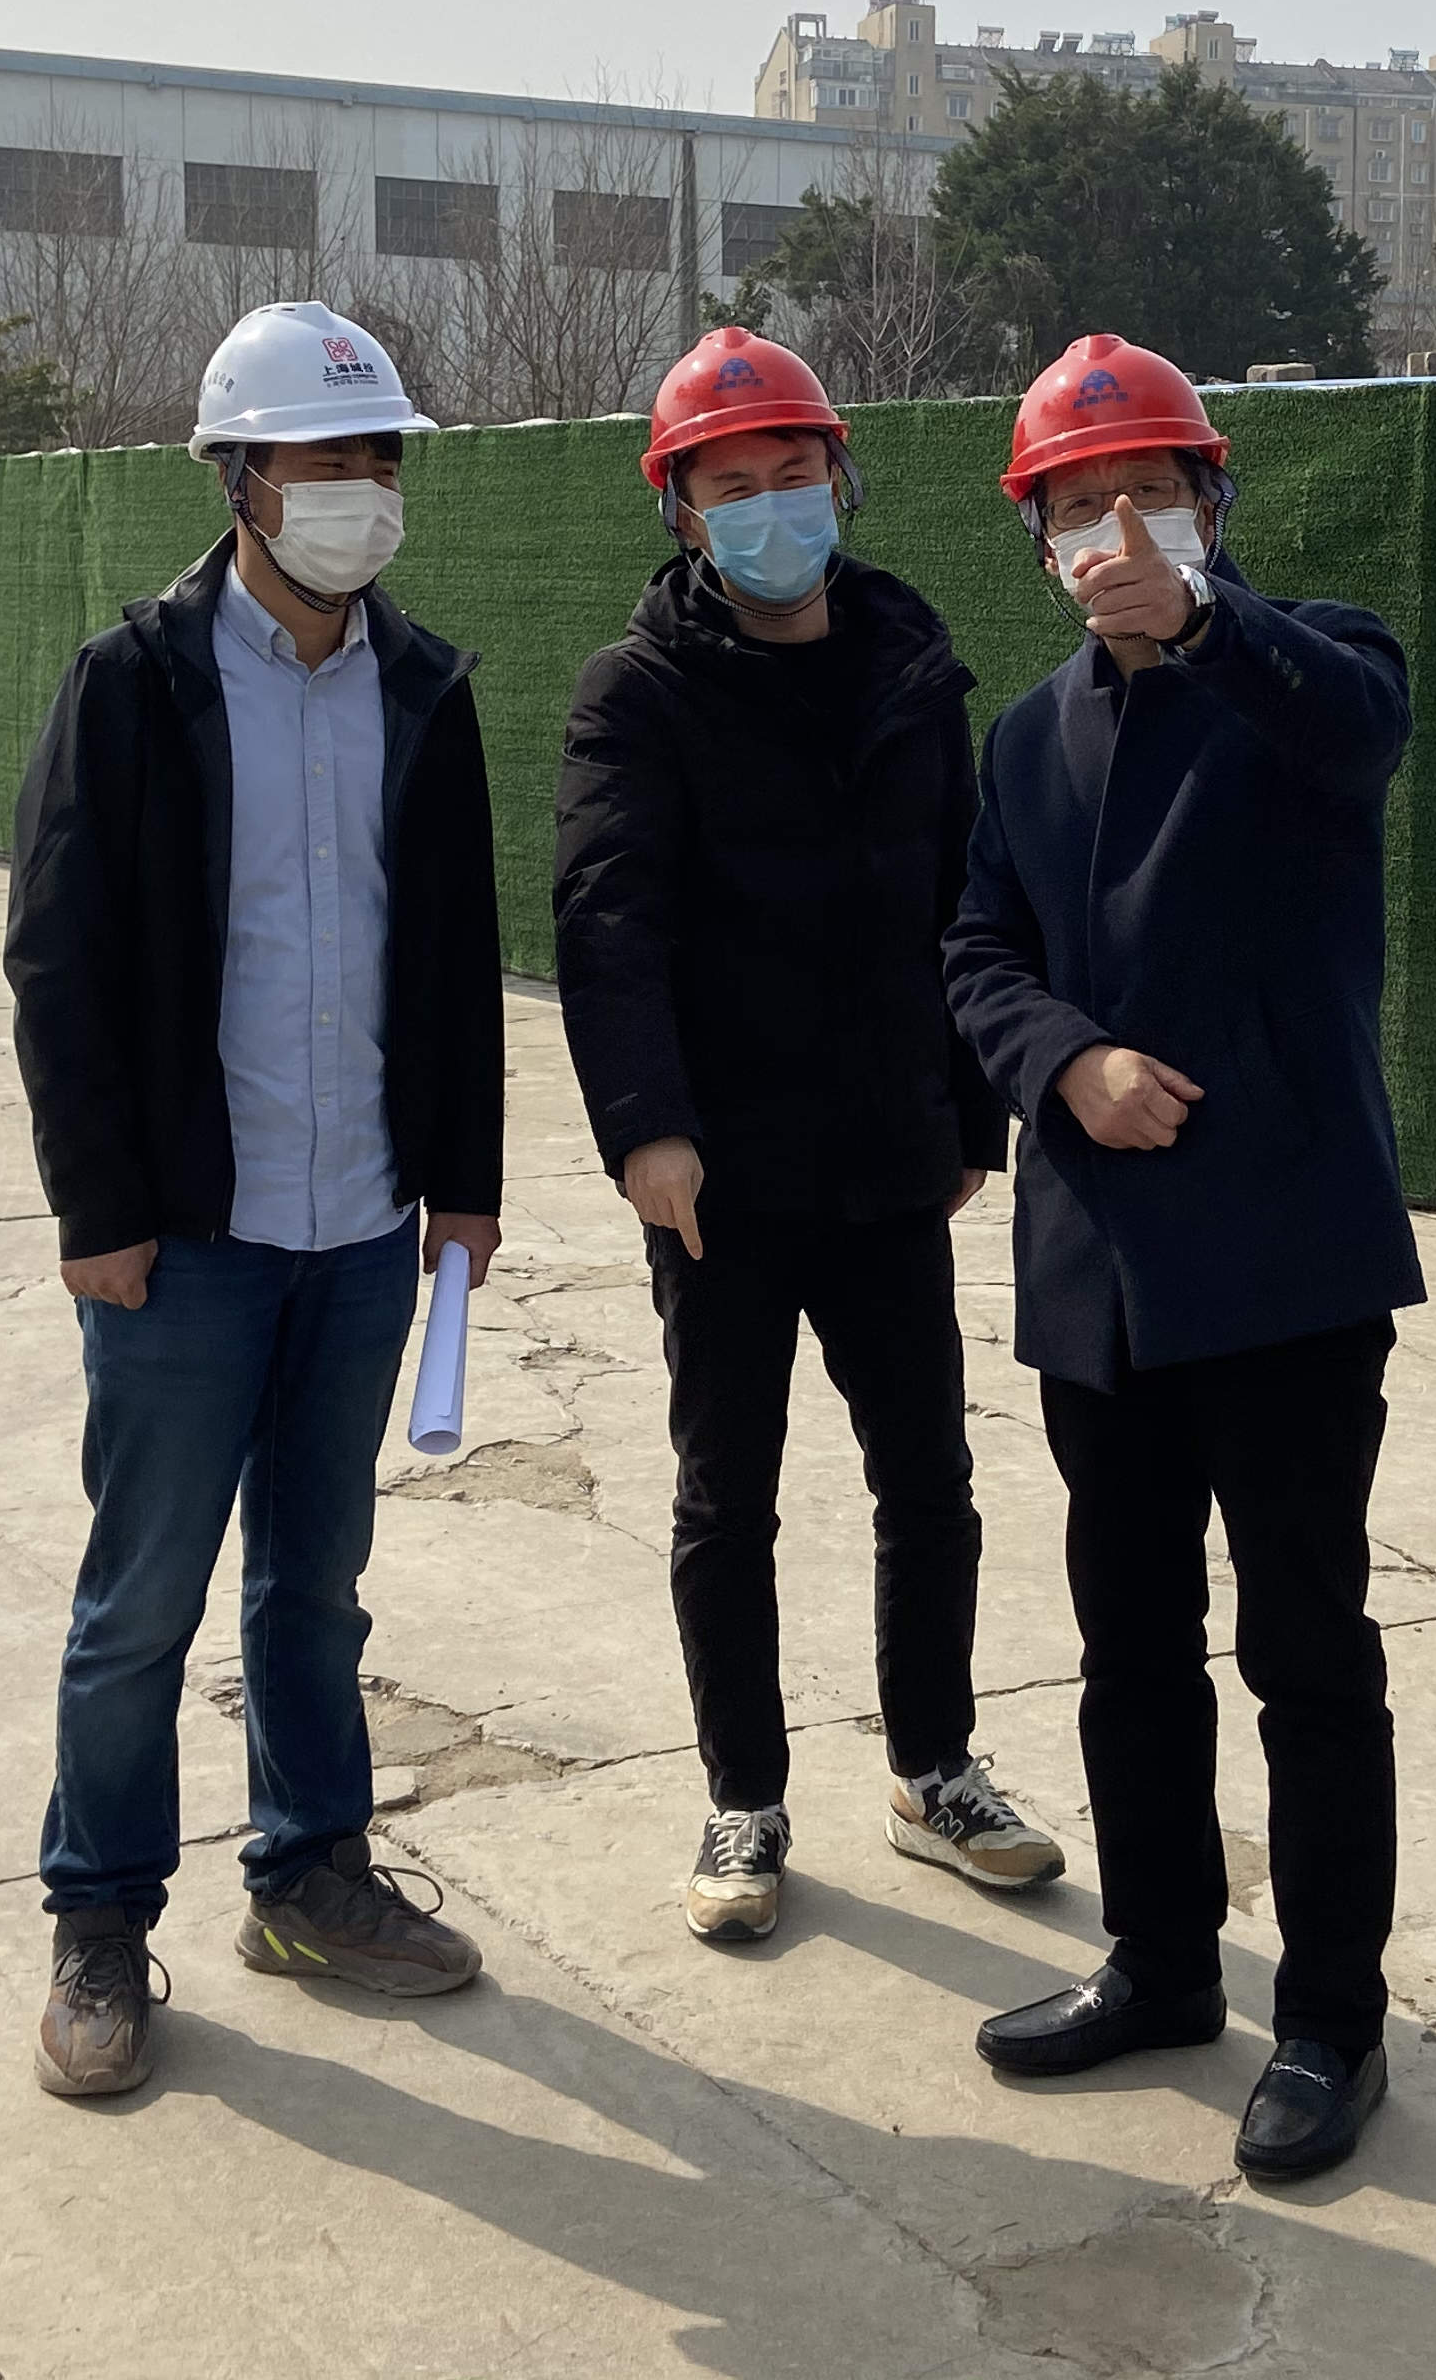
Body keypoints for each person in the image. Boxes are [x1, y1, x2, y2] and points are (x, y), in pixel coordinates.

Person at [4, 301, 507, 2099]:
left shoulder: (424, 689)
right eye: (324, 459)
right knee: (140, 1599)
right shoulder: (134, 684)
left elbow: (455, 954)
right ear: (239, 479)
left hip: (359, 1225)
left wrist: (462, 1185)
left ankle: (308, 1877)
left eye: (380, 457)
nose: (361, 489)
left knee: (318, 1586)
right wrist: (99, 1210)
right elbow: (58, 962)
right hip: (186, 1240)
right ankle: (98, 1922)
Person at [941, 335, 1424, 2183]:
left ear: (1213, 505)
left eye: (1148, 492)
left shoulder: (1312, 667)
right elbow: (977, 950)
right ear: (1039, 539)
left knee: (1306, 1648)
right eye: (1077, 504)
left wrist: (1214, 627)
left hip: (1285, 1261)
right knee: (1128, 1642)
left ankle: (1332, 2021)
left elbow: (1359, 734)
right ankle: (1158, 1965)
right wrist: (1066, 1063)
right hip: (1101, 1276)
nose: (1115, 530)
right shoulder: (1028, 738)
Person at [552, 329, 1061, 1947]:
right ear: (682, 512)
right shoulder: (640, 692)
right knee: (730, 1495)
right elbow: (609, 927)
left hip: (889, 1151)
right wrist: (647, 1130)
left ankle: (935, 1770)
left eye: (794, 475)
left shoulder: (912, 668)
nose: (771, 507)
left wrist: (968, 1109)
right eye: (733, 486)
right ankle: (745, 1800)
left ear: (841, 479)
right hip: (722, 1174)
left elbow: (964, 905)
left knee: (930, 1476)